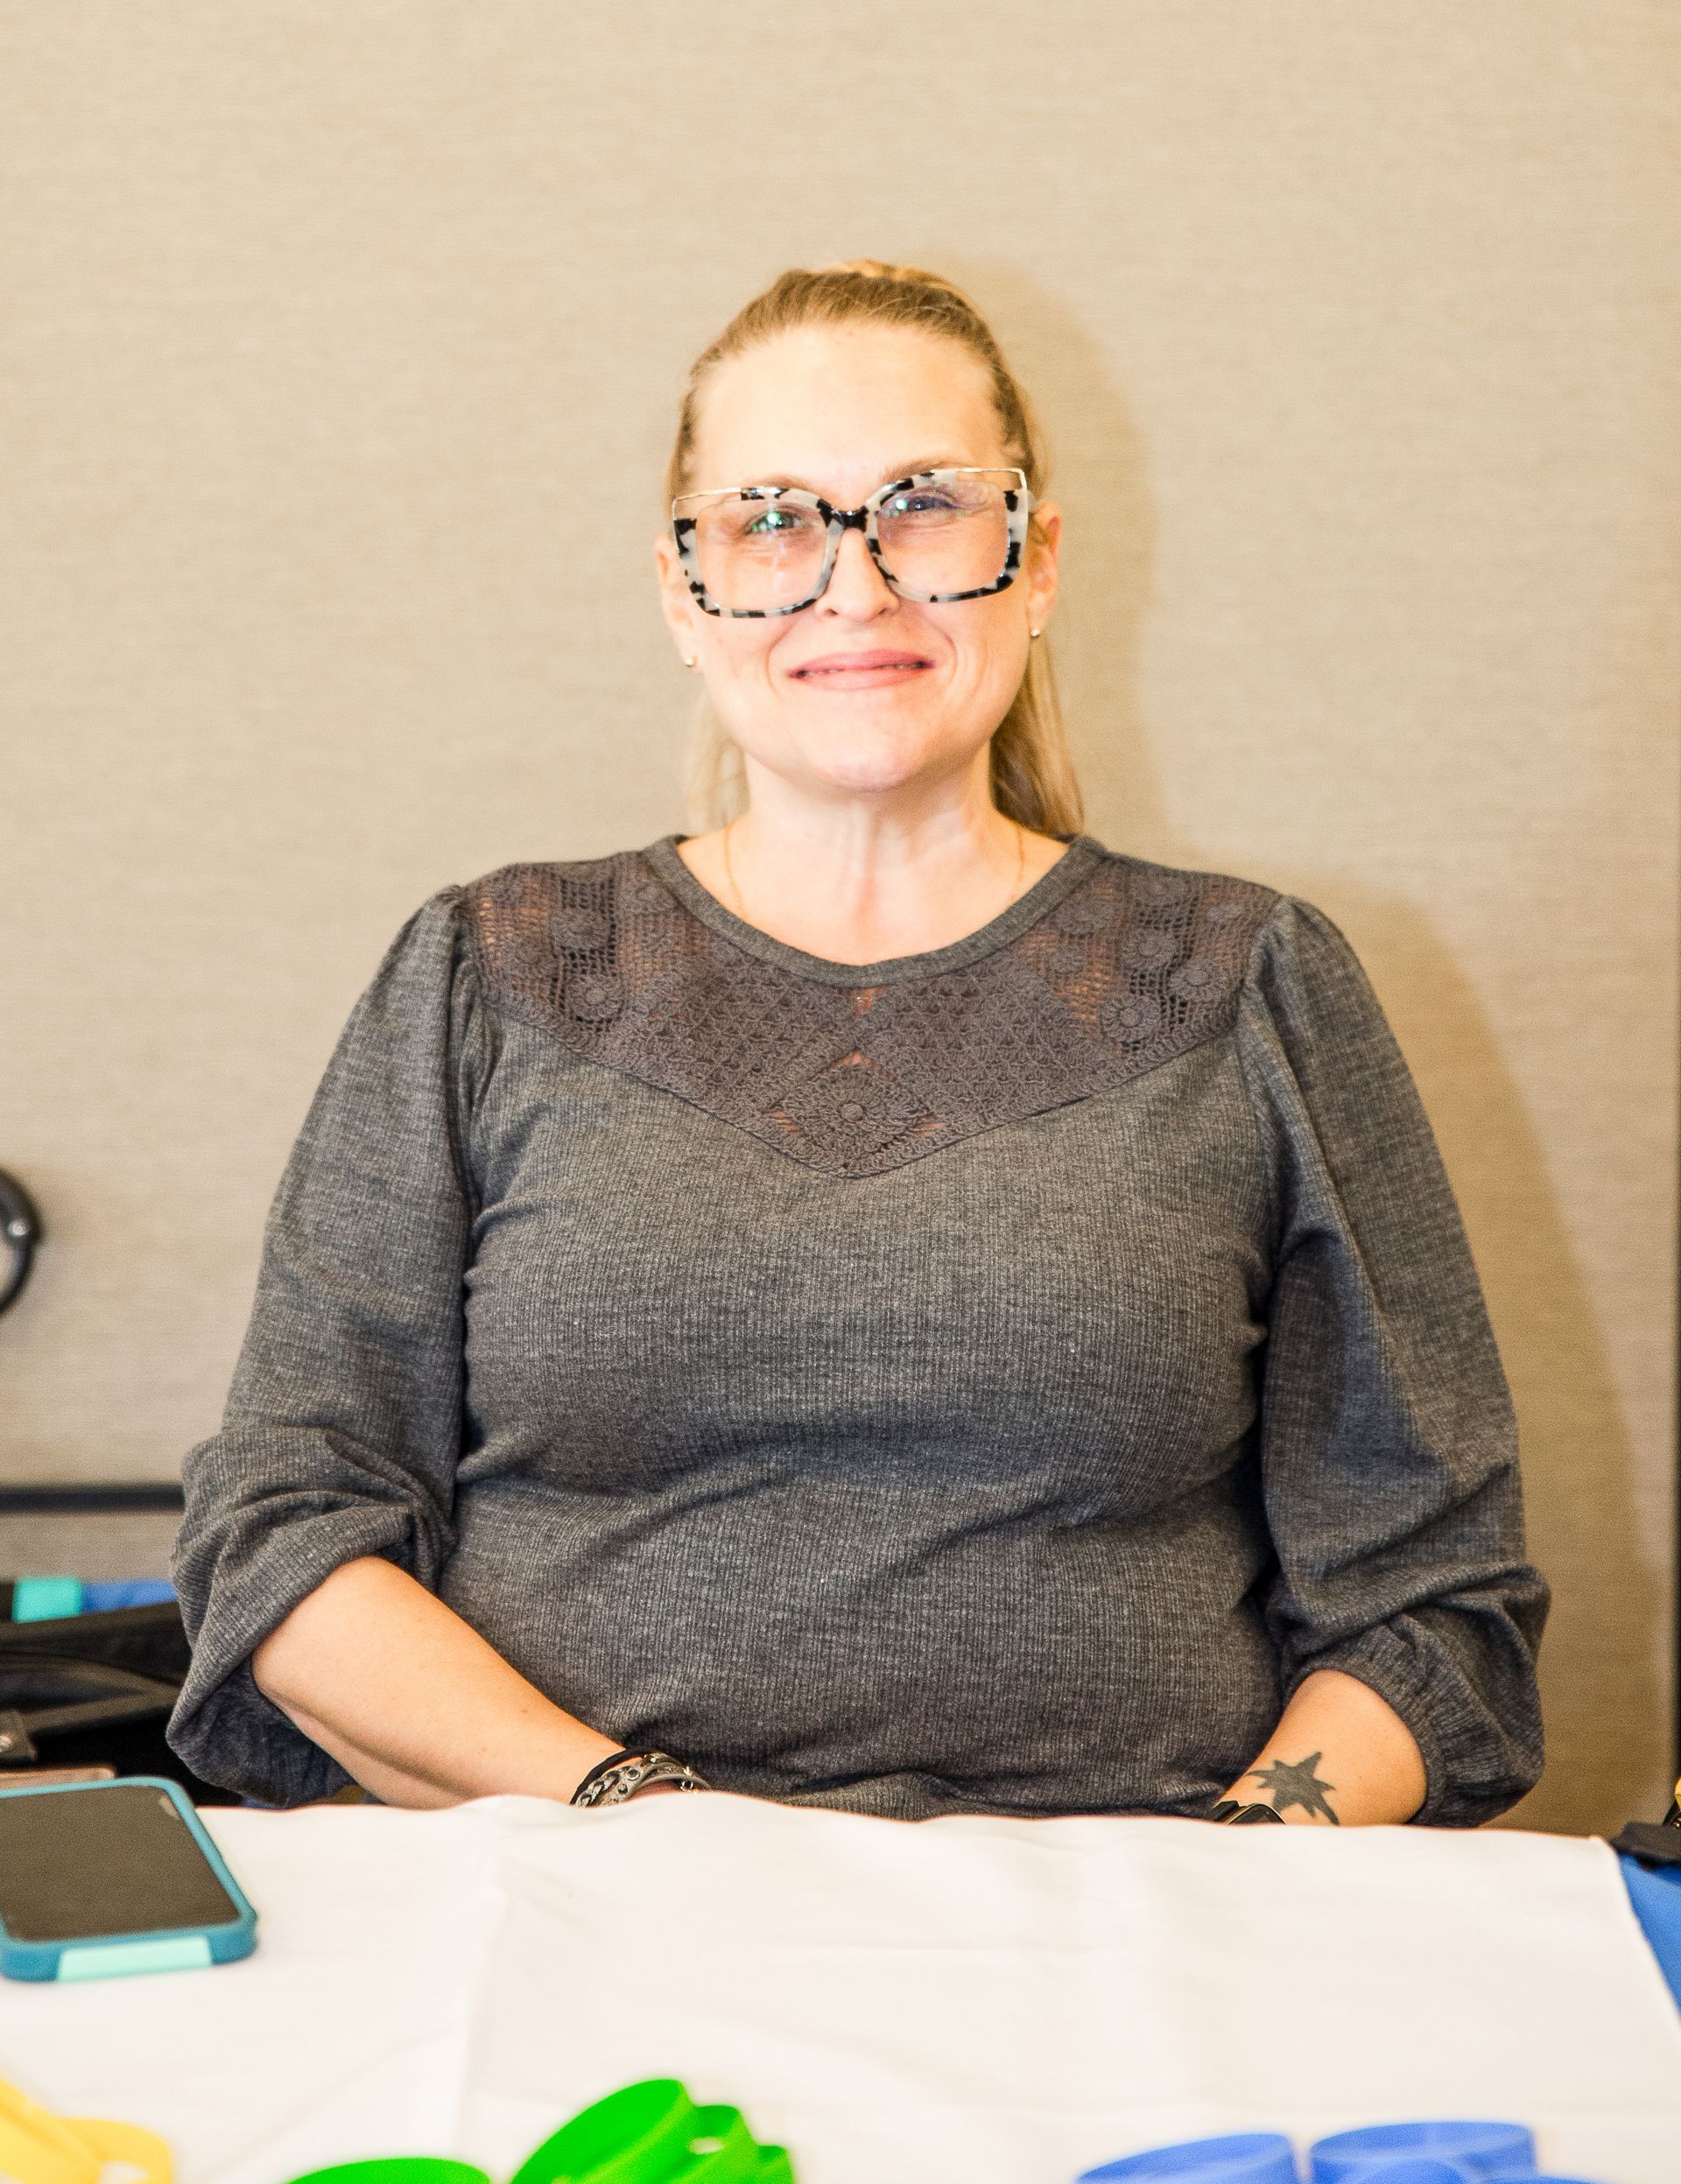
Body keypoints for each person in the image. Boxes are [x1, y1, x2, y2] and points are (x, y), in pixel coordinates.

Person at [167, 260, 1548, 1827]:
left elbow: (1436, 1604)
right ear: (683, 595)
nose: (854, 587)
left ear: (1036, 559)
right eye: (771, 520)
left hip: (1122, 1922)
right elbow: (285, 1532)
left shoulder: (1250, 981)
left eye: (924, 507)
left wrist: (1221, 1875)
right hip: (572, 1894)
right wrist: (650, 1821)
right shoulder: (489, 972)